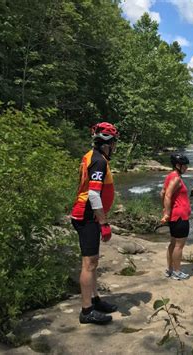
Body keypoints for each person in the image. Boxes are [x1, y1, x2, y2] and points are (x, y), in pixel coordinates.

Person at [71, 122, 119, 325]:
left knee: (93, 262)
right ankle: (86, 310)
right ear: (107, 143)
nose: (115, 147)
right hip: (87, 217)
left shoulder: (91, 156)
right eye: (114, 143)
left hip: (85, 215)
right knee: (89, 264)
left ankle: (95, 299)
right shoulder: (99, 161)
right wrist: (104, 222)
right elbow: (93, 194)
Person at [160, 153, 191, 281]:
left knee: (173, 243)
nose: (186, 168)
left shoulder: (170, 176)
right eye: (184, 166)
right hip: (180, 216)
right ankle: (177, 272)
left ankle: (170, 270)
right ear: (178, 165)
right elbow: (167, 195)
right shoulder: (176, 179)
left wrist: (166, 210)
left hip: (175, 215)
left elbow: (162, 192)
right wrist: (167, 212)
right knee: (179, 245)